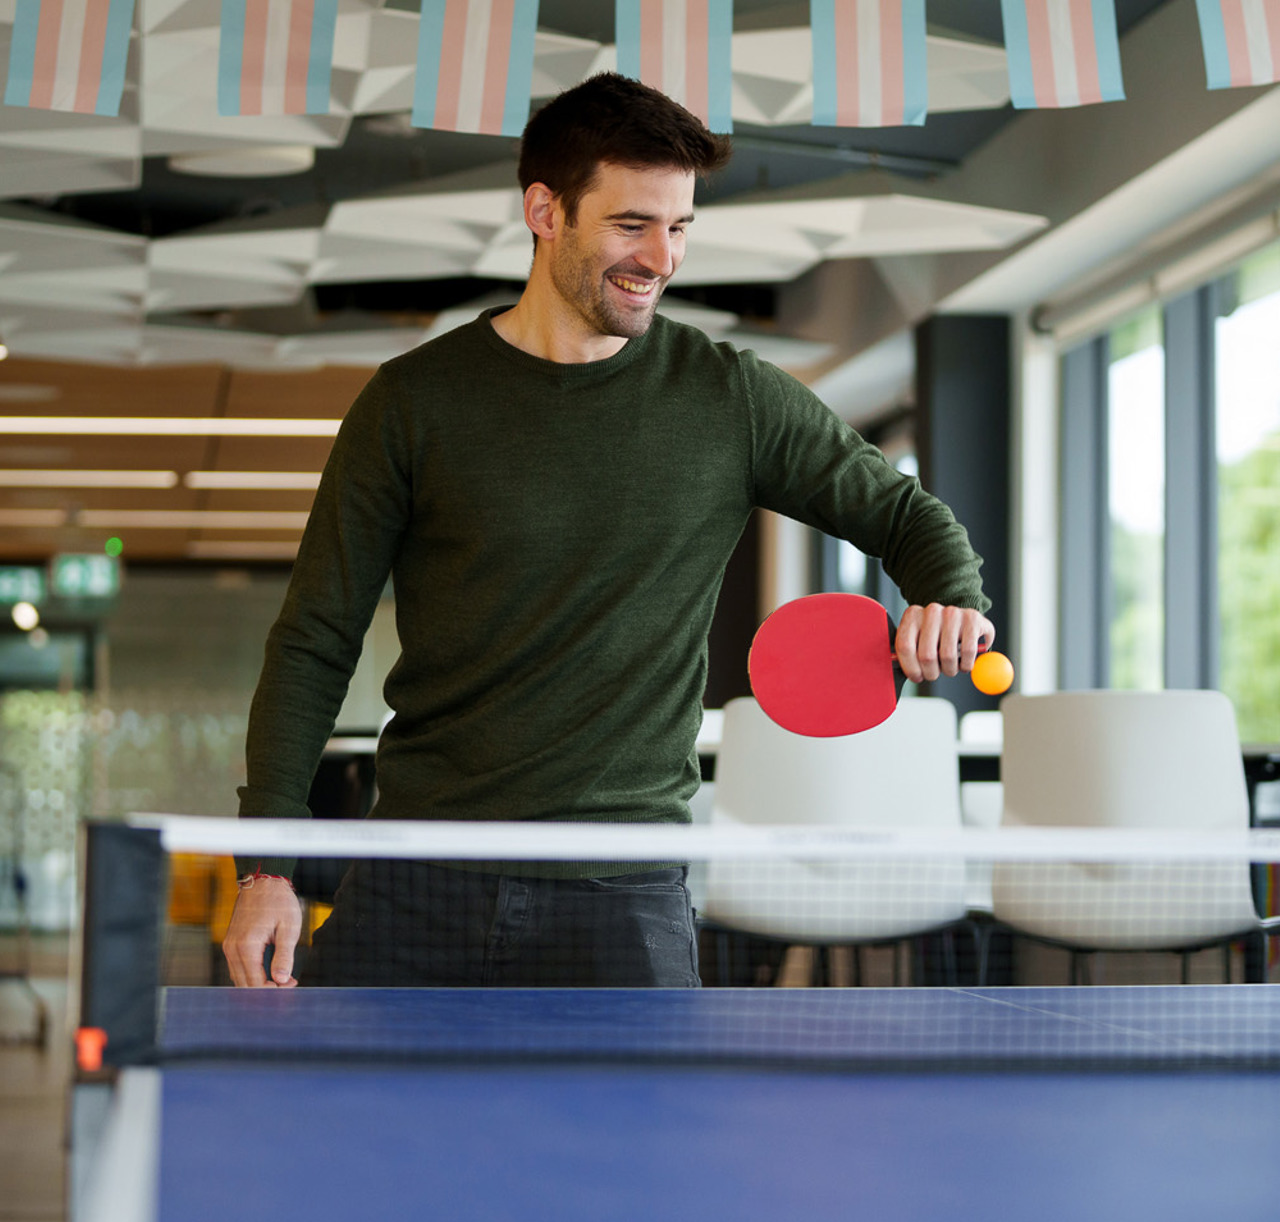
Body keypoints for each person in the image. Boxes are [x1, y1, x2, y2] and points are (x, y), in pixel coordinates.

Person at [224, 72, 994, 990]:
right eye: (632, 225)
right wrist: (267, 862)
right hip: (419, 878)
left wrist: (952, 595)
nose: (661, 258)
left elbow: (907, 515)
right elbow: (316, 637)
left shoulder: (730, 397)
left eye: (679, 228)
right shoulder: (411, 403)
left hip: (624, 898)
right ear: (545, 211)